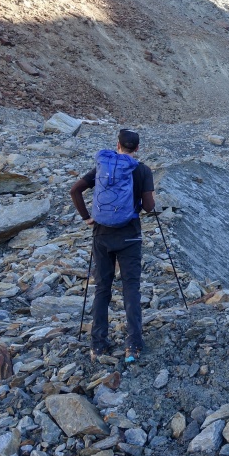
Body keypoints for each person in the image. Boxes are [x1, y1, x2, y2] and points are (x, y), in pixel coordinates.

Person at [70, 128, 155, 363]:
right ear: (137, 148)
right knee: (131, 288)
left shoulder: (102, 167)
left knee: (101, 289)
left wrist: (87, 217)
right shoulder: (142, 170)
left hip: (101, 234)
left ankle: (97, 345)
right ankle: (133, 346)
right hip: (129, 236)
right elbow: (148, 207)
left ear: (117, 144)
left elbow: (75, 190)